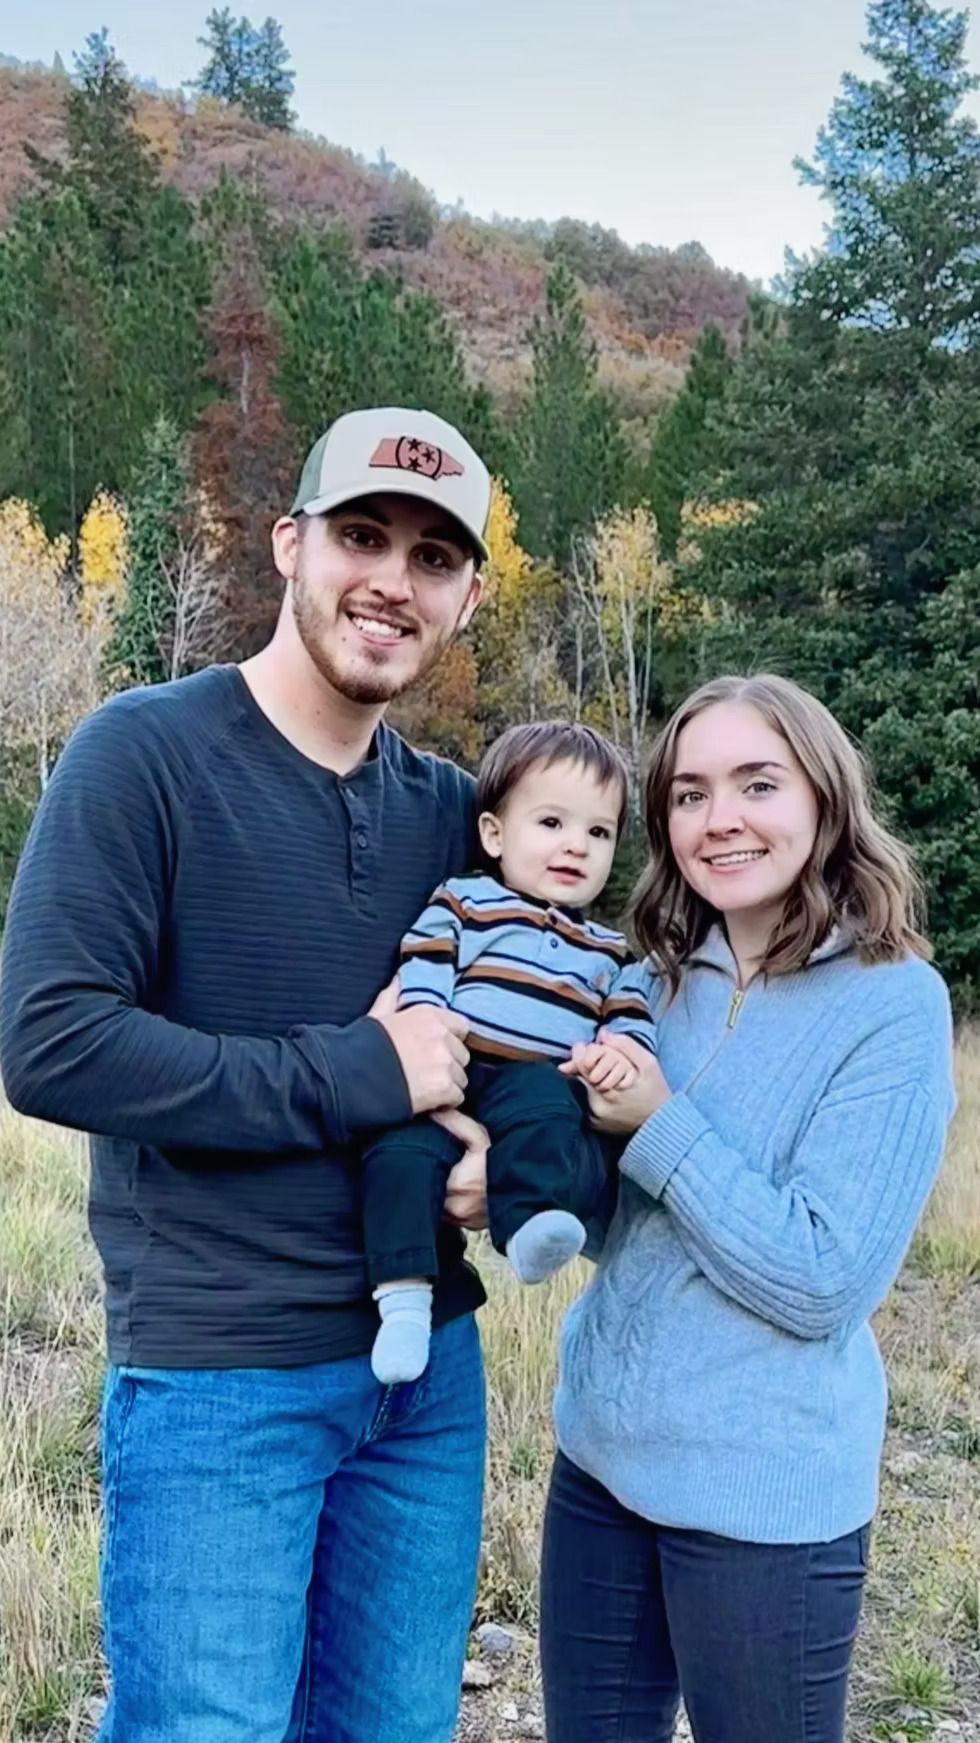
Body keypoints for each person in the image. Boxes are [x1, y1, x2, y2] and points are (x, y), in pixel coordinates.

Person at [0, 407, 498, 1743]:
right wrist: (356, 1071)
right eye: (361, 534)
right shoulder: (142, 755)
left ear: (468, 595)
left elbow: (521, 1021)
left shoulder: (453, 810)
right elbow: (53, 1039)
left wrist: (505, 1143)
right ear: (290, 546)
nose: (393, 577)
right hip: (222, 1382)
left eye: (434, 554)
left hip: (427, 1380)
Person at [542, 673, 956, 1743]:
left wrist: (656, 1123)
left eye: (754, 783)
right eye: (686, 793)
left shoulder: (890, 1004)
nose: (717, 818)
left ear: (822, 799)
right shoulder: (653, 977)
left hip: (761, 1508)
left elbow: (821, 1279)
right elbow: (621, 1231)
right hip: (597, 1467)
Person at [363, 720, 659, 1385]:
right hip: (455, 1070)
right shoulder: (465, 901)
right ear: (496, 833)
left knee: (551, 1107)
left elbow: (628, 1020)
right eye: (551, 822)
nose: (574, 846)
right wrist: (426, 1018)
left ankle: (528, 1227)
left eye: (598, 832)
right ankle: (404, 1296)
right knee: (397, 1154)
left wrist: (621, 1052)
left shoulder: (609, 951)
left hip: (535, 1082)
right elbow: (426, 960)